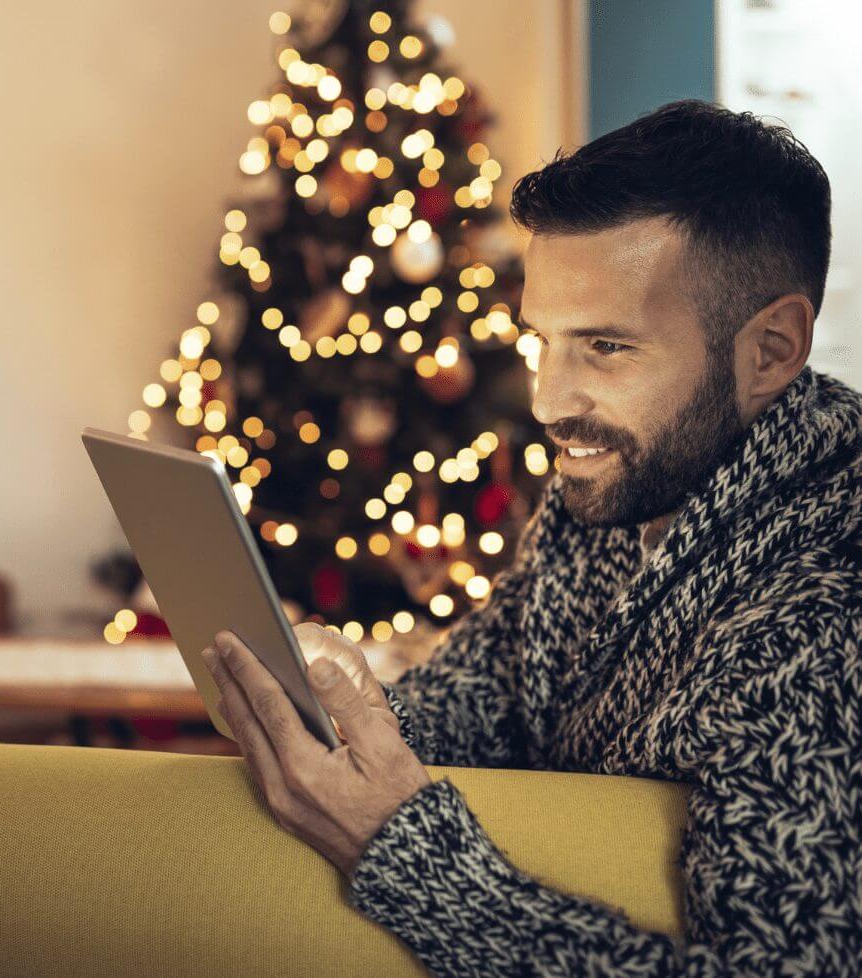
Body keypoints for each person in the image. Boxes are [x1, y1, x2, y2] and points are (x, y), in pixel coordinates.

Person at [199, 99, 862, 975]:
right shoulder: (625, 485)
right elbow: (494, 692)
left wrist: (405, 859)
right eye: (541, 340)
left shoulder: (825, 612)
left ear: (772, 349)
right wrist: (361, 715)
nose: (549, 401)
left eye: (607, 347)